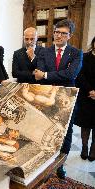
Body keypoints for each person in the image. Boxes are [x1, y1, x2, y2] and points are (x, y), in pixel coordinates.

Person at [34, 19, 83, 179]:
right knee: (45, 132)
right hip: (46, 97)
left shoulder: (76, 53)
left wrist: (47, 75)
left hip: (66, 100)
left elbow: (71, 74)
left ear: (70, 36)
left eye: (63, 33)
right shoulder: (43, 52)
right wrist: (44, 75)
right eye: (56, 32)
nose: (59, 36)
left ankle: (60, 165)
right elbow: (38, 74)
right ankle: (46, 164)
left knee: (66, 134)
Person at [75, 36, 95, 161]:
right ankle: (84, 147)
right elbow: (80, 75)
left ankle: (93, 150)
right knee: (85, 124)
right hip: (86, 96)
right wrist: (90, 90)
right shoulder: (85, 56)